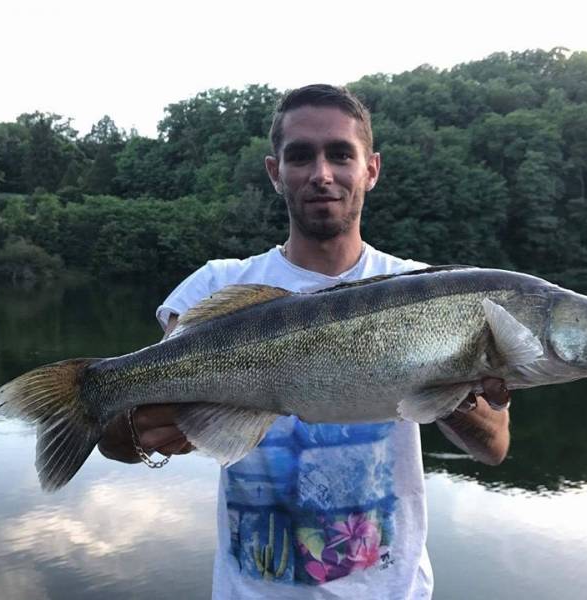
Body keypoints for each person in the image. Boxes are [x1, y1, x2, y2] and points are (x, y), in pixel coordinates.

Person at [99, 84, 511, 599]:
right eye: (301, 157)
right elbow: (115, 440)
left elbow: (494, 447)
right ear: (276, 173)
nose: (322, 174)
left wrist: (449, 380)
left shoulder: (425, 290)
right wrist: (139, 430)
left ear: (371, 169)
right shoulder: (216, 285)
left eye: (340, 154)